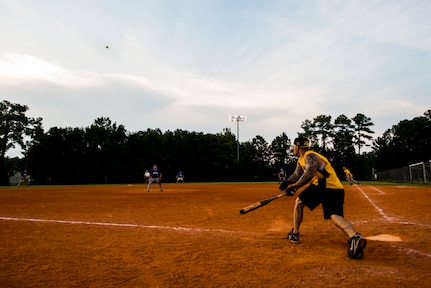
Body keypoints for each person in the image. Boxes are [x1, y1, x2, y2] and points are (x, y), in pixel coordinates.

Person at [279, 137, 366, 259]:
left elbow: (309, 173)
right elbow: (297, 174)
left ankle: (295, 234)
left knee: (302, 203)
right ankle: (354, 237)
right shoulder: (301, 160)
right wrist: (287, 182)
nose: (293, 148)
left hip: (325, 186)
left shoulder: (310, 156)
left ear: (297, 147)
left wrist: (295, 187)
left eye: (293, 146)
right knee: (334, 216)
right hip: (331, 187)